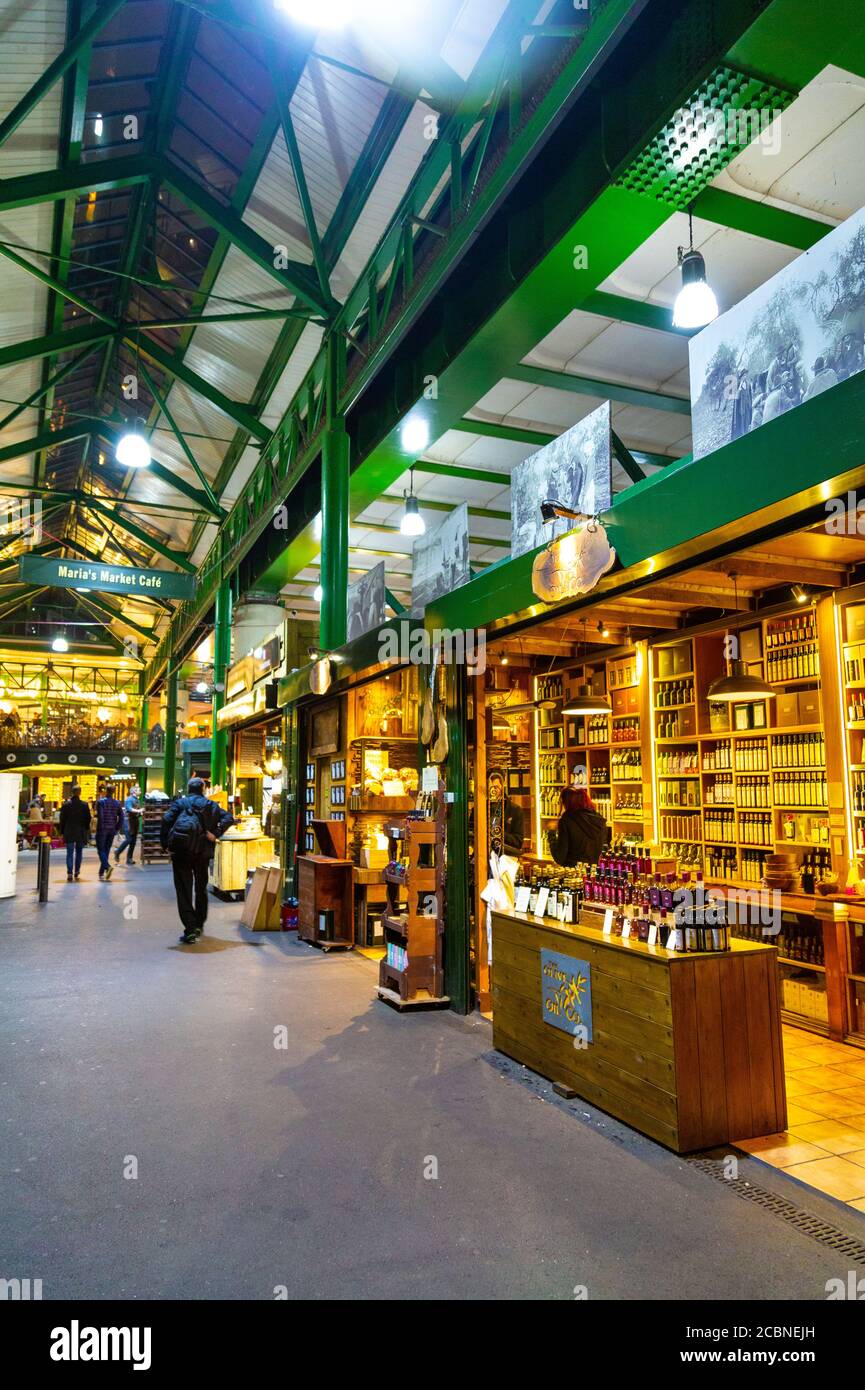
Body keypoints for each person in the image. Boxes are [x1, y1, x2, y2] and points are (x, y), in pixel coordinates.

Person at [161, 777, 234, 945]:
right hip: (202, 852)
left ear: (188, 788)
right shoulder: (211, 805)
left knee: (184, 890)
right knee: (201, 888)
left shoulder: (180, 804)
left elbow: (166, 820)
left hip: (181, 852)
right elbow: (229, 817)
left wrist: (165, 843)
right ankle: (199, 924)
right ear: (203, 788)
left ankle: (190, 929)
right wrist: (216, 833)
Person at [549, 787, 608, 867]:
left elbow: (560, 857)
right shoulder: (599, 820)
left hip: (573, 873)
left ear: (567, 803)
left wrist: (551, 833)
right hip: (594, 872)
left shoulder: (567, 820)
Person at [59, 786, 91, 882]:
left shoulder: (65, 805)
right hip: (80, 832)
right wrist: (86, 829)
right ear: (80, 792)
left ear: (72, 792)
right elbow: (88, 819)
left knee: (69, 853)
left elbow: (62, 819)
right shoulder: (84, 805)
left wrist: (62, 832)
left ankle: (69, 872)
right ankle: (77, 871)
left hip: (69, 831)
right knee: (79, 852)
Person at [94, 783, 123, 880]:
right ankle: (101, 872)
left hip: (103, 830)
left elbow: (101, 817)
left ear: (106, 791)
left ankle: (107, 867)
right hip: (112, 830)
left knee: (100, 850)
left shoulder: (101, 802)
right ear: (114, 792)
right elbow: (121, 817)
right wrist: (117, 828)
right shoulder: (117, 803)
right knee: (106, 850)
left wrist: (100, 828)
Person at [114, 784, 141, 865]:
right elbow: (129, 809)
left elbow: (136, 810)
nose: (140, 791)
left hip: (134, 821)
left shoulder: (137, 800)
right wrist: (138, 811)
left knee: (133, 841)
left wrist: (140, 812)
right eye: (139, 790)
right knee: (129, 839)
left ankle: (129, 858)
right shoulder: (129, 799)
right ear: (133, 792)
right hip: (128, 822)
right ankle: (117, 852)